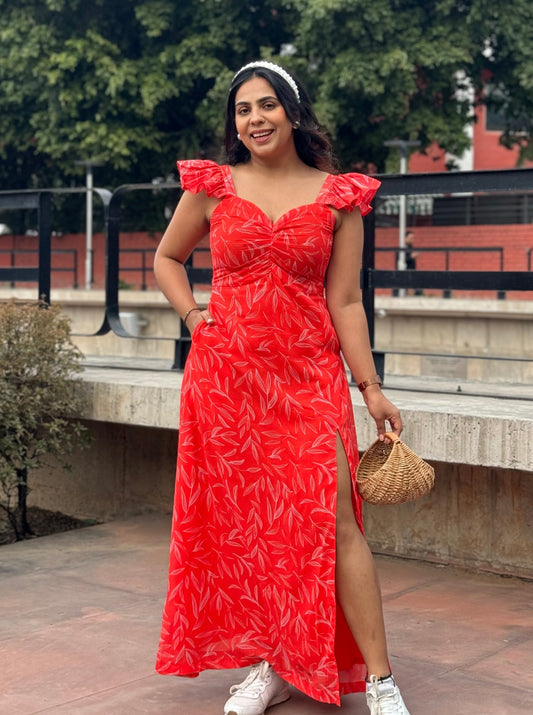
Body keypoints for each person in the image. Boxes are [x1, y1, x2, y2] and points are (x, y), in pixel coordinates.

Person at [154, 60, 411, 715]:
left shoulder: (337, 196)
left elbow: (346, 301)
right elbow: (166, 257)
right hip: (227, 380)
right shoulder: (214, 186)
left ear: (292, 112)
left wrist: (369, 387)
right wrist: (193, 316)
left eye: (266, 105)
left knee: (337, 522)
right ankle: (270, 662)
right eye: (242, 110)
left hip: (307, 378)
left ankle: (380, 682)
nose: (254, 119)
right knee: (252, 529)